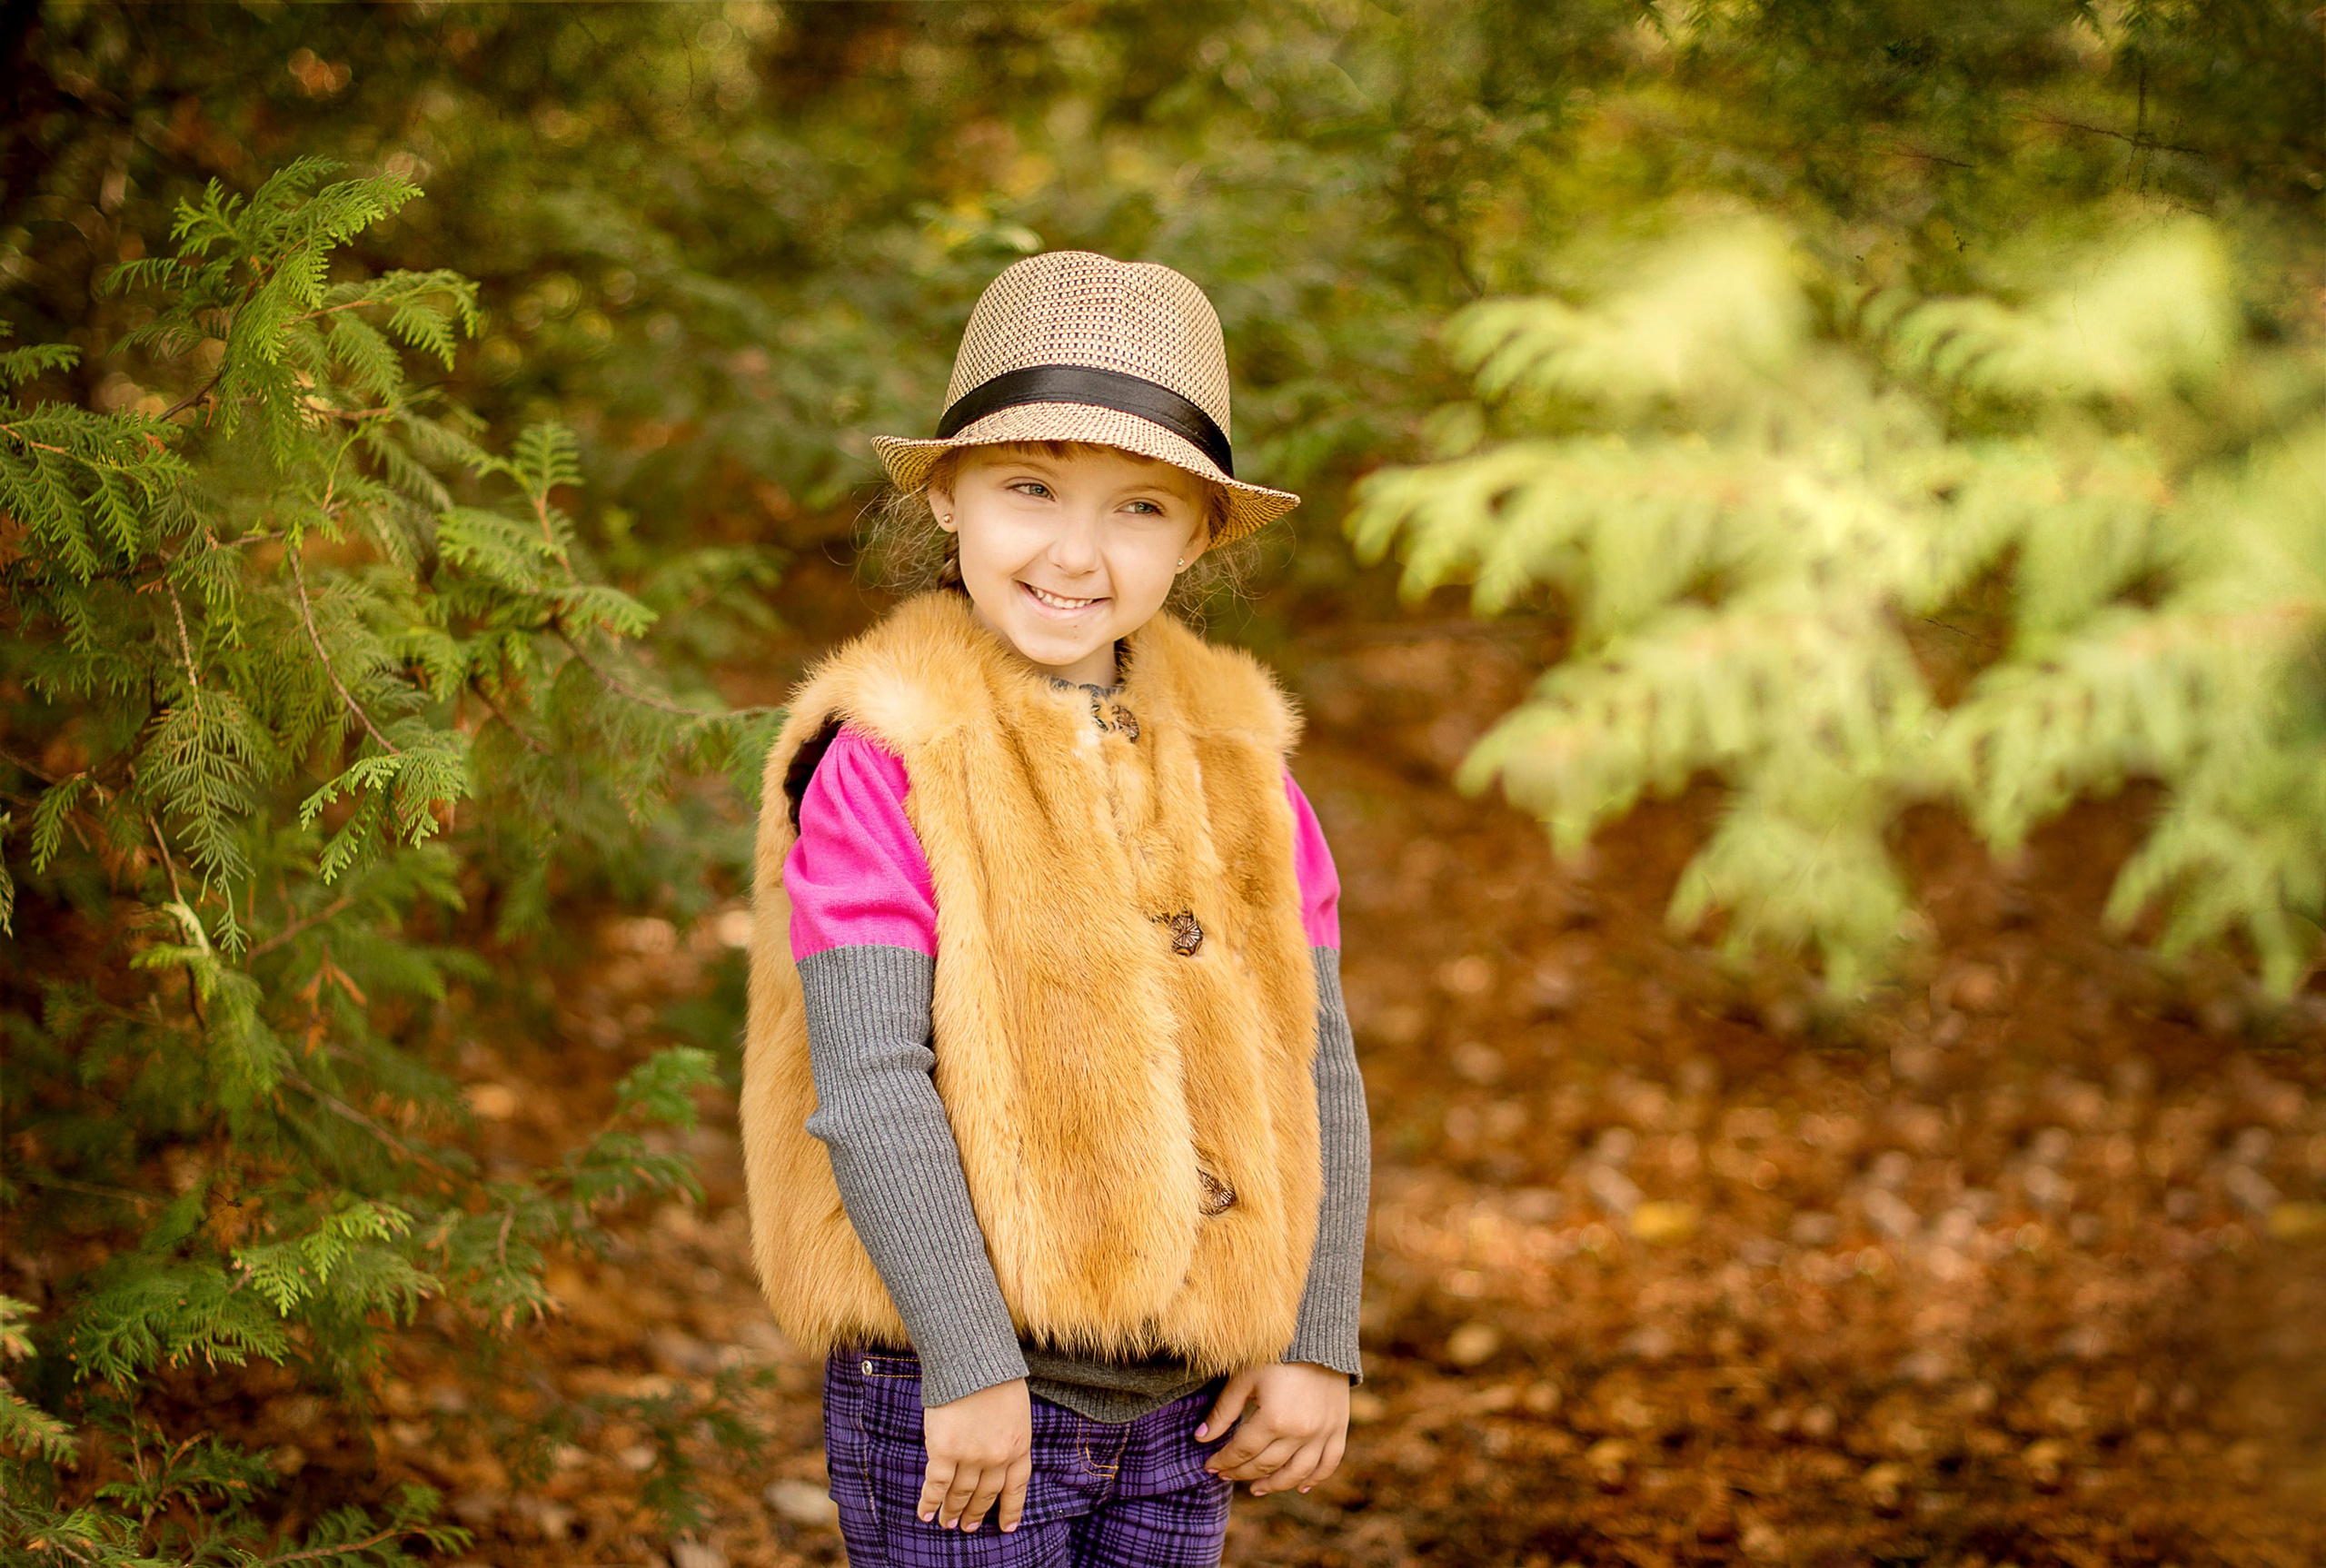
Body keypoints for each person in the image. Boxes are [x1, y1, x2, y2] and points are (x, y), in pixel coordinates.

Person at [741, 250, 1368, 1567]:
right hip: (952, 1384)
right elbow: (871, 1076)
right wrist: (970, 1364)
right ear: (952, 496)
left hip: (1188, 1402)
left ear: (1196, 537)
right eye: (1031, 488)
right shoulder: (887, 749)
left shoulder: (1243, 759)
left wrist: (1315, 1336)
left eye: (1138, 507)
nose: (1076, 552)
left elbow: (1315, 1059)